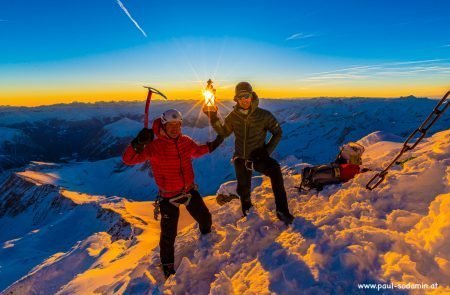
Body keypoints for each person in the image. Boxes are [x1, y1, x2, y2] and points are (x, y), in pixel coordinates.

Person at [122, 109, 222, 279]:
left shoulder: (185, 141)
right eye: (171, 125)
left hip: (189, 190)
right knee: (168, 236)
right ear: (163, 125)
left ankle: (206, 238)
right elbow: (128, 159)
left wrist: (212, 145)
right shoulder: (154, 147)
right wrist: (138, 143)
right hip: (168, 197)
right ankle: (167, 267)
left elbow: (196, 151)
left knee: (205, 218)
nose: (175, 128)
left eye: (178, 125)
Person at [204, 82, 294, 225]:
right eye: (240, 97)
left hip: (258, 157)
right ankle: (247, 211)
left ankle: (282, 211)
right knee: (243, 188)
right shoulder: (233, 116)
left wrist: (266, 151)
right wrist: (213, 117)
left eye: (247, 95)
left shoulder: (264, 115)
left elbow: (278, 133)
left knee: (275, 170)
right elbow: (224, 132)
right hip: (240, 158)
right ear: (236, 99)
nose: (244, 99)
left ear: (252, 96)